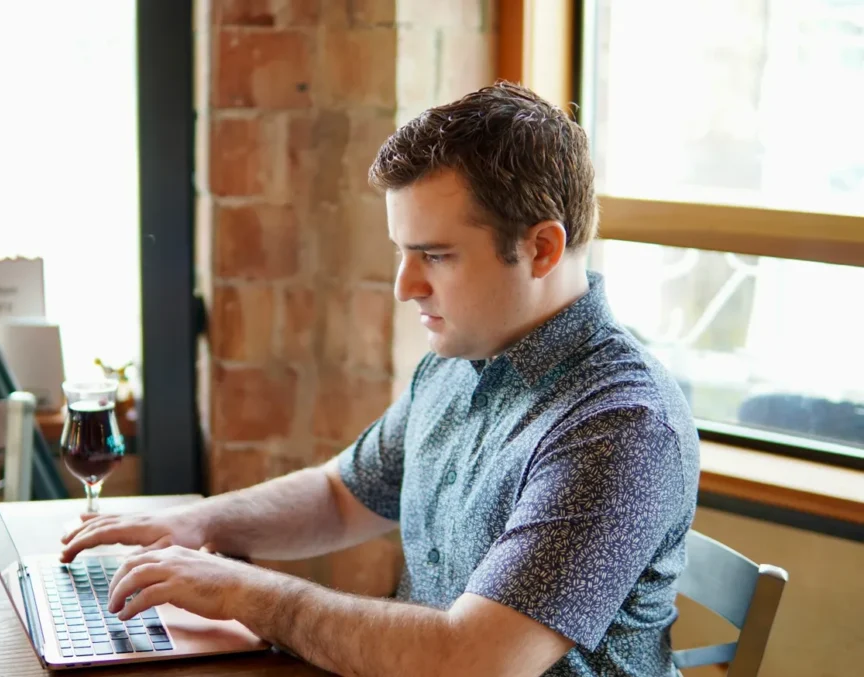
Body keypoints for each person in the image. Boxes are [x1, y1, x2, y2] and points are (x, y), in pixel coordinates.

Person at [60, 82, 699, 677]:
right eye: (403, 252)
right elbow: (344, 494)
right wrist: (199, 524)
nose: (404, 286)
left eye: (436, 256)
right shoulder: (457, 360)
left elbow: (473, 661)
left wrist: (244, 594)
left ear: (542, 249)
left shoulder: (621, 426)